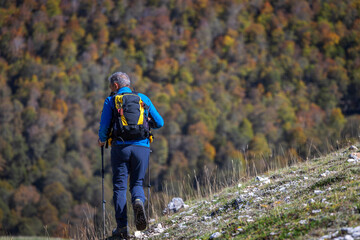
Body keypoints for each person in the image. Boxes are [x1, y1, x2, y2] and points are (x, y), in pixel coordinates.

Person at [98, 72, 164, 239]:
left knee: (120, 186)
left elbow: (105, 126)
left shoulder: (111, 100)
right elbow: (160, 122)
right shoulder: (143, 98)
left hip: (120, 148)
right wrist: (147, 121)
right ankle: (138, 202)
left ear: (115, 86)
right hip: (142, 147)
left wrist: (101, 140)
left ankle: (122, 228)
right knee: (137, 183)